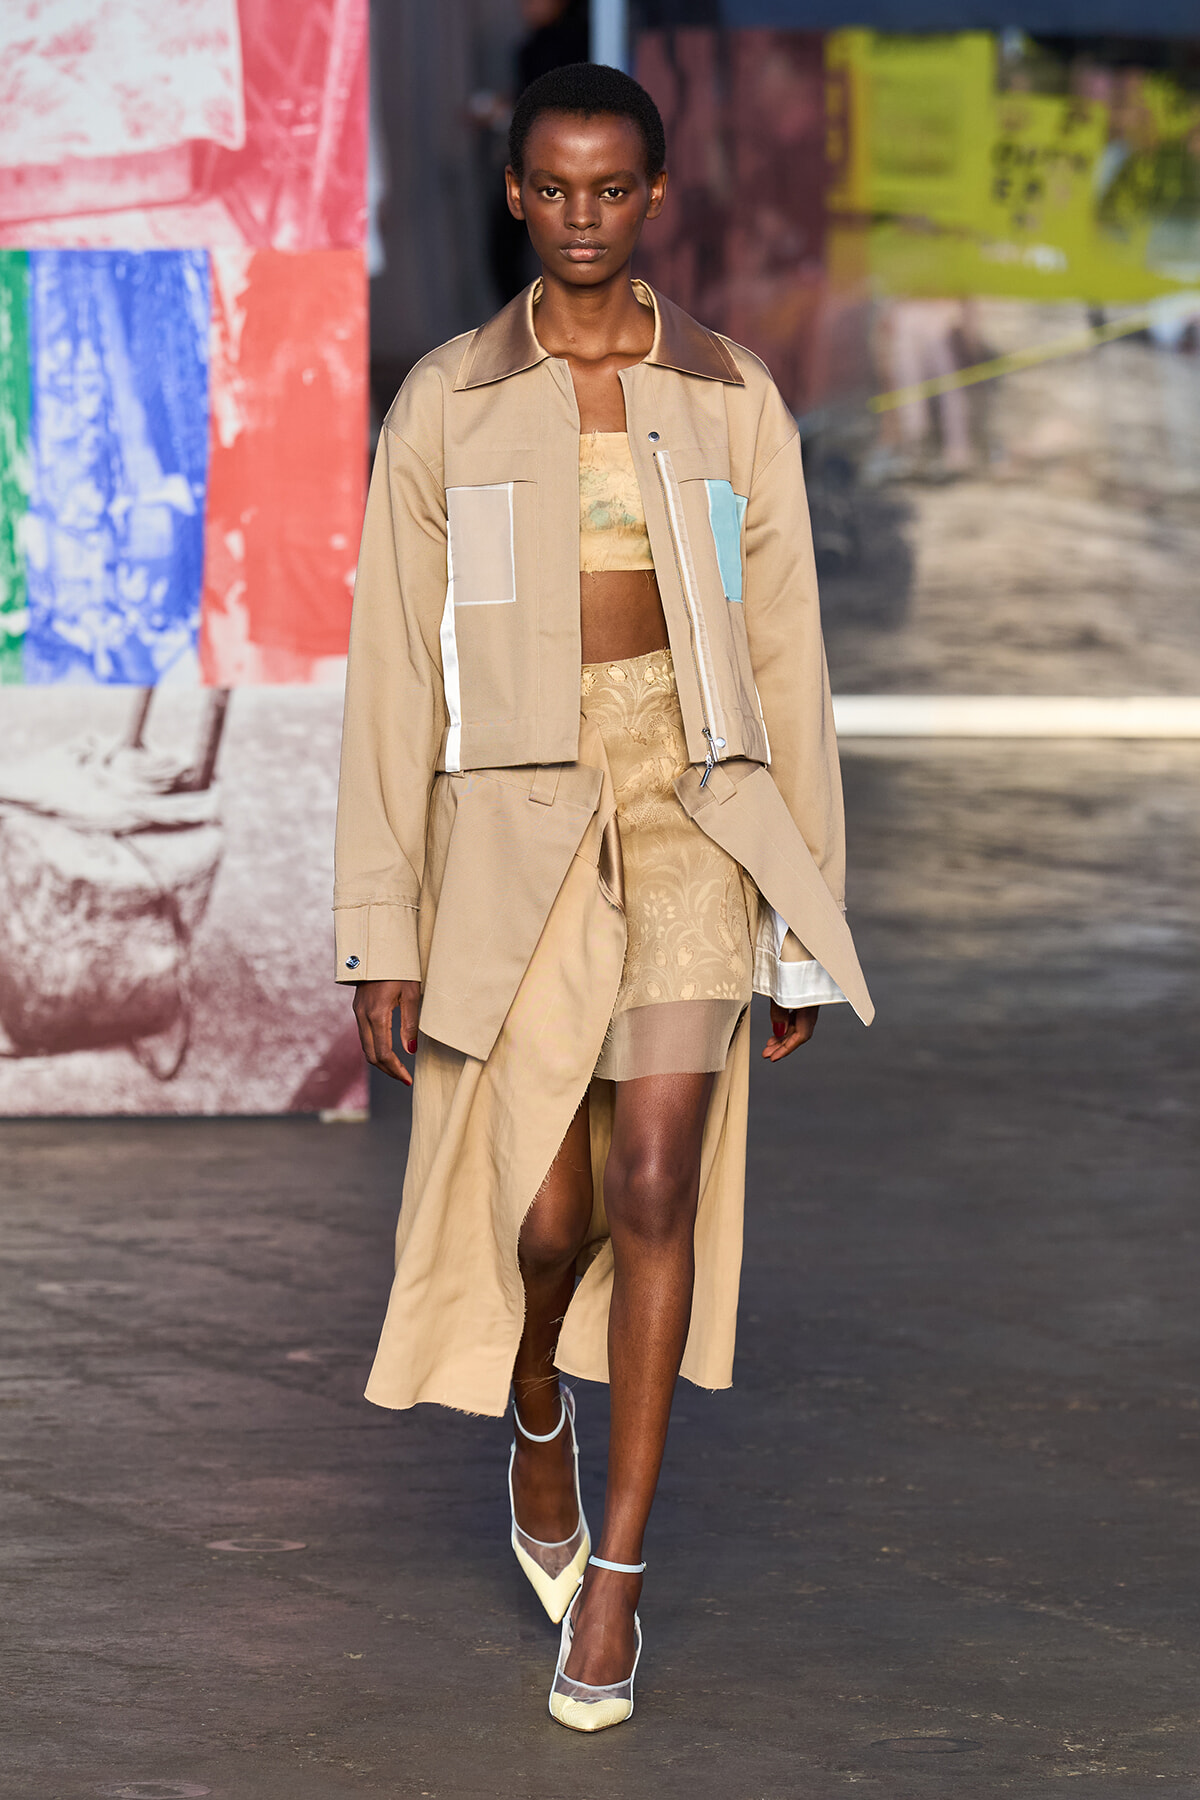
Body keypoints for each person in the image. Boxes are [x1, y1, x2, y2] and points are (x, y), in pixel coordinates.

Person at [334, 62, 872, 1734]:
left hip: (696, 803)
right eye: (553, 190)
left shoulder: (728, 396)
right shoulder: (445, 402)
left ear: (654, 199)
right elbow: (383, 683)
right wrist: (385, 924)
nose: (582, 217)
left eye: (611, 190)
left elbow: (790, 660)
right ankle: (534, 1408)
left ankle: (616, 1591)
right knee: (543, 1216)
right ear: (516, 198)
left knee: (655, 1176)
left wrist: (804, 915)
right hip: (511, 820)